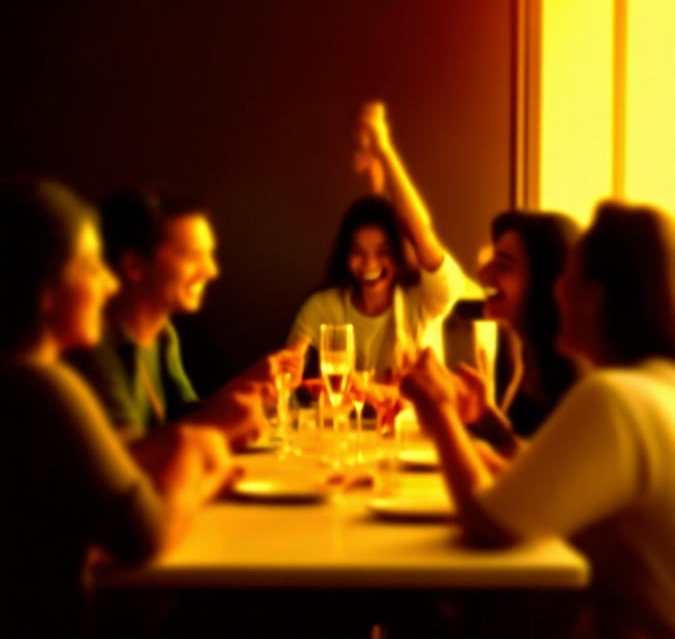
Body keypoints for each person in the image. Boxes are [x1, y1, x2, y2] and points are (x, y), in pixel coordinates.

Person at [401, 201, 675, 638]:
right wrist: (489, 428)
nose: (556, 289)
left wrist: (441, 413)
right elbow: (544, 485)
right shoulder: (655, 388)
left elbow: (488, 525)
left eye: (568, 275)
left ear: (595, 296)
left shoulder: (614, 398)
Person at [0, 178, 238, 639]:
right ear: (45, 288)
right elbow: (142, 536)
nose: (108, 284)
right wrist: (193, 452)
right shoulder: (41, 385)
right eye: (91, 268)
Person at [66, 187, 300, 449]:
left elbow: (186, 415)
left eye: (209, 254)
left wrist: (248, 384)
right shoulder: (93, 343)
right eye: (193, 256)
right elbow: (123, 462)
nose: (211, 271)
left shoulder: (164, 334)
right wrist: (218, 419)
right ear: (134, 266)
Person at [286, 102, 467, 386]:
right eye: (357, 253)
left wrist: (384, 149)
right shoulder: (324, 307)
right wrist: (289, 374)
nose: (369, 264)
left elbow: (421, 232)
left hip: (413, 431)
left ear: (399, 253)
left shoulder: (425, 301)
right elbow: (287, 371)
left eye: (383, 253)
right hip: (341, 431)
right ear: (344, 255)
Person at [456, 210, 582, 456]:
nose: (483, 274)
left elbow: (547, 477)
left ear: (545, 280)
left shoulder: (575, 368)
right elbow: (525, 453)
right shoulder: (533, 351)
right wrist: (483, 415)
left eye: (503, 265)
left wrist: (442, 420)